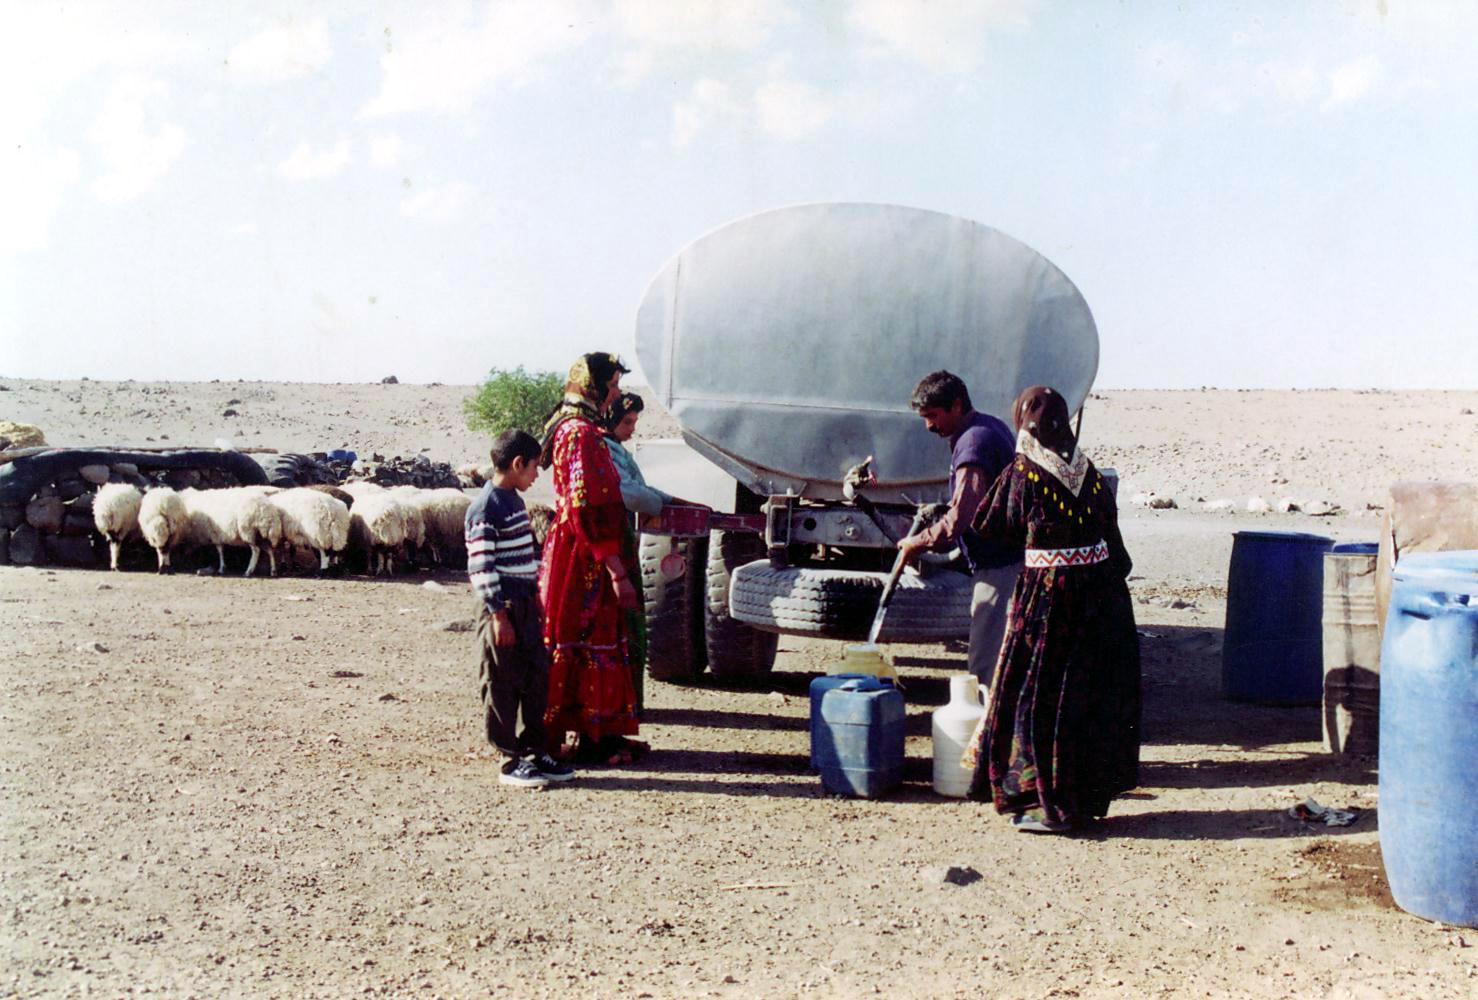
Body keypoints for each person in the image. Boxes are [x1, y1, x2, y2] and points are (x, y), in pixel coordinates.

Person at [963, 385, 1140, 833]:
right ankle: (1083, 801)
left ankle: (1044, 805)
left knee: (1038, 697)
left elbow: (990, 525)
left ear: (1024, 422)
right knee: (1087, 696)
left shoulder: (1023, 473)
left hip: (1046, 599)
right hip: (1100, 598)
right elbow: (1116, 548)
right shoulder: (1093, 475)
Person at [538, 352, 648, 766]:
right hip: (585, 557)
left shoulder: (573, 429)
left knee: (587, 641)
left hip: (580, 551)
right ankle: (590, 737)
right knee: (589, 639)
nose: (616, 393)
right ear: (594, 387)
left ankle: (596, 735)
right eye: (613, 386)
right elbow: (586, 507)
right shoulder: (581, 434)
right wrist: (615, 568)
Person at [895, 370, 1023, 686]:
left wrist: (917, 543)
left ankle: (983, 724)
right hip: (1008, 556)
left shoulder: (973, 443)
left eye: (933, 416)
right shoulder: (990, 426)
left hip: (998, 563)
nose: (929, 425)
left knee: (984, 656)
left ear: (956, 405)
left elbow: (962, 516)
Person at [465, 429, 575, 788]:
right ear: (516, 464)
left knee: (534, 677)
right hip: (504, 605)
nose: (536, 475)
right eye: (533, 468)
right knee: (501, 679)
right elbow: (481, 566)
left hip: (525, 602)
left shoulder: (512, 500)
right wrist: (499, 614)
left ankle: (534, 749)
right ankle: (509, 759)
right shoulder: (486, 507)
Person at [601, 391, 674, 714]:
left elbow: (638, 488)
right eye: (627, 421)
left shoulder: (614, 449)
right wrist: (659, 503)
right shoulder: (603, 449)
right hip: (610, 543)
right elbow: (628, 492)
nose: (632, 429)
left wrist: (670, 500)